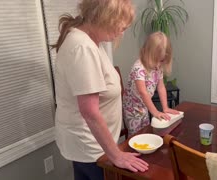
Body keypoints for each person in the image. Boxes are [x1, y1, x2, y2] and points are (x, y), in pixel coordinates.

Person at [52, 0, 148, 179]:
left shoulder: (92, 41)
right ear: (106, 18)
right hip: (91, 147)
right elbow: (89, 111)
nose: (123, 32)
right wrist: (116, 155)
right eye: (122, 26)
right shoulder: (83, 47)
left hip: (94, 144)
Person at [123, 32, 180, 135]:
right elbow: (143, 92)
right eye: (156, 60)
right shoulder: (138, 67)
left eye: (161, 60)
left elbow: (161, 87)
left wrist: (165, 107)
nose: (158, 64)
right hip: (133, 108)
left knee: (145, 132)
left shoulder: (157, 67)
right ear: (147, 53)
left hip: (144, 106)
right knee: (136, 136)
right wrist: (155, 112)